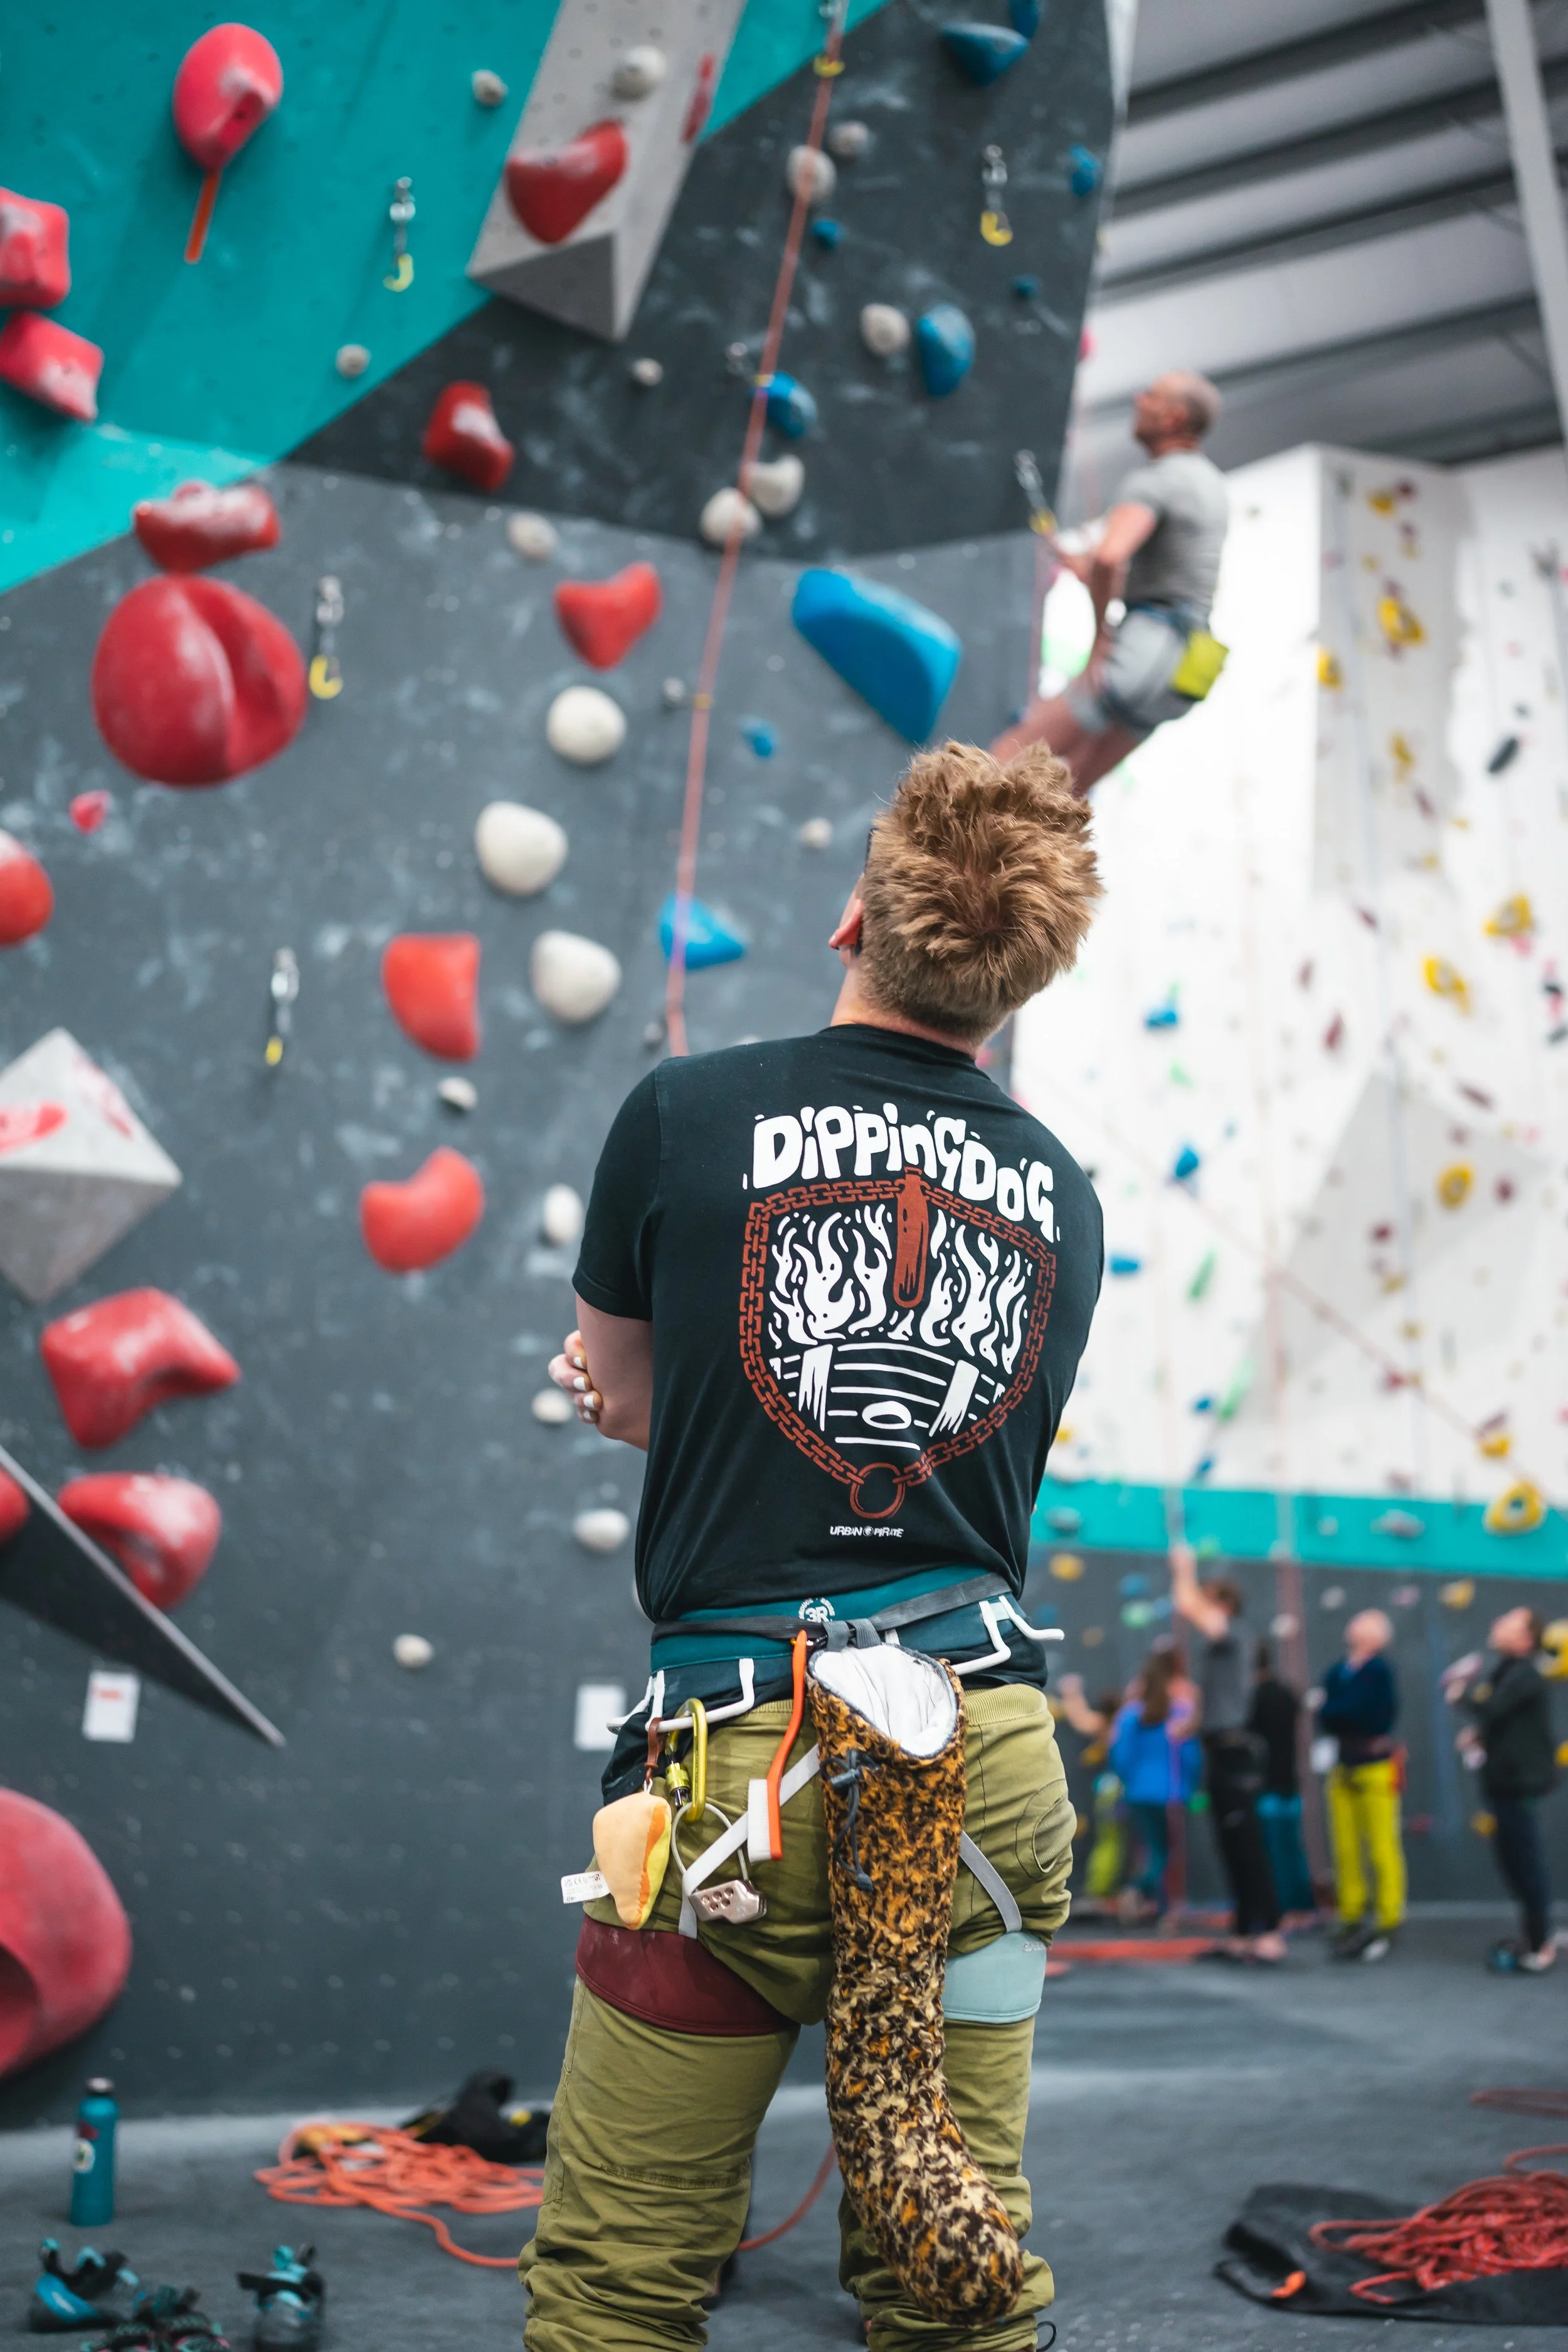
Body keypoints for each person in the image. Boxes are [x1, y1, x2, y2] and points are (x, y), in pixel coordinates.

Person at [527, 740, 1106, 2352]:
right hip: (978, 1750)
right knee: (952, 2267)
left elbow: (639, 1399)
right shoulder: (1062, 1192)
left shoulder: (684, 1111)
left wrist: (615, 1399)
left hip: (740, 1755)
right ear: (1018, 982)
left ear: (856, 916)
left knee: (620, 2284)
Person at [992, 370, 1230, 795]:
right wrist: (1087, 567)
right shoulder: (1209, 482)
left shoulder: (1157, 479)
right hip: (1186, 667)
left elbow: (1110, 556)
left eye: (1152, 397)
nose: (1139, 400)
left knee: (996, 766)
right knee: (1059, 801)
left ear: (1174, 418)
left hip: (1144, 652)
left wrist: (1102, 637)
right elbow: (1166, 574)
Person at [1169, 1544, 1285, 1962]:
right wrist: (1190, 1722)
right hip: (1221, 1750)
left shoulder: (1234, 1632)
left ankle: (1268, 1931)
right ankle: (1243, 1931)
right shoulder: (1222, 1647)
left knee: (1248, 1845)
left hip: (1235, 1754)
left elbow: (1187, 1603)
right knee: (1232, 1845)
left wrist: (1184, 1568)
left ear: (1221, 1605)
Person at [1448, 1608, 1559, 1974]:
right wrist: (1478, 1735)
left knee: (1524, 1861)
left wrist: (1459, 1694)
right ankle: (1537, 1935)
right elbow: (1503, 1720)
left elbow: (1494, 1708)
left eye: (1509, 1622)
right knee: (1514, 1860)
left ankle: (1541, 1942)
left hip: (1517, 1784)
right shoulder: (1507, 1672)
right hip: (1502, 1782)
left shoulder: (1525, 1674)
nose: (1497, 1623)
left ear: (1527, 1639)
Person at [1318, 1609, 1404, 1963]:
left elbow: (1368, 1712)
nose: (1352, 1625)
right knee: (1346, 1845)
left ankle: (1389, 1914)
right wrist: (1339, 1711)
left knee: (1382, 1843)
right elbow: (1328, 1712)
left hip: (1375, 1766)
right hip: (1343, 1765)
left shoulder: (1380, 1672)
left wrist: (1338, 1710)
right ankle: (1350, 1910)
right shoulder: (1339, 1670)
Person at [1108, 1646, 1200, 1921]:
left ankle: (1155, 1904)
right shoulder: (1181, 1713)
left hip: (1138, 1792)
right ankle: (1148, 1897)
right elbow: (1191, 1756)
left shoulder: (1130, 1715)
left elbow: (1119, 1756)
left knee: (1153, 1850)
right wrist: (1192, 1787)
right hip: (1172, 1792)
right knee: (1166, 1854)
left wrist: (1130, 1782)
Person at [1249, 1641, 1315, 1918]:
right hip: (1289, 1781)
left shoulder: (1254, 1698)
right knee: (1293, 1851)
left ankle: (1281, 1909)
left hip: (1266, 1785)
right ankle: (1303, 1907)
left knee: (1272, 1854)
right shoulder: (1287, 1693)